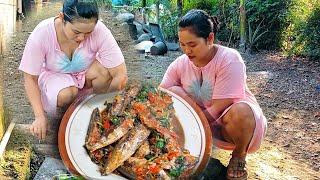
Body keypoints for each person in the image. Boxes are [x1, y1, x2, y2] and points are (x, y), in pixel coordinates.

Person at [160, 9, 267, 180]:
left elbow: (220, 106)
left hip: (231, 124)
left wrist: (191, 124)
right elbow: (162, 92)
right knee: (172, 92)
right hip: (201, 122)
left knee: (242, 111)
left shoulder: (230, 59)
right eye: (182, 44)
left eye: (192, 44)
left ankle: (238, 156)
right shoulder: (179, 64)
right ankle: (189, 151)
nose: (187, 51)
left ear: (210, 39)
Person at [19, 0, 127, 140]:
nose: (82, 38)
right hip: (55, 76)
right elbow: (30, 78)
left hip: (85, 76)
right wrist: (39, 117)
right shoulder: (42, 33)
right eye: (76, 32)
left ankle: (93, 110)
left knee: (106, 73)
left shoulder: (101, 31)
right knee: (68, 93)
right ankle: (64, 119)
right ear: (62, 17)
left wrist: (110, 112)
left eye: (88, 32)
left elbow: (120, 74)